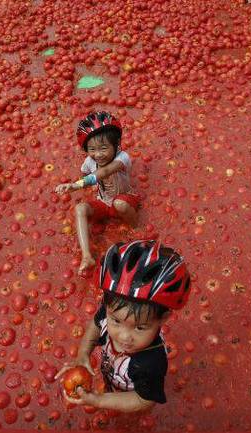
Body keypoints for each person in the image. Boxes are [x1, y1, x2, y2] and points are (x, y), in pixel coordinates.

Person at [55, 240, 191, 412]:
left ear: (163, 319)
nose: (124, 336)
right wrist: (83, 353)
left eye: (140, 327)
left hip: (131, 394)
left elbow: (144, 400)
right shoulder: (110, 311)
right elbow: (96, 324)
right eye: (116, 321)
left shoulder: (151, 363)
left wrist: (99, 401)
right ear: (107, 306)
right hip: (112, 377)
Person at [54, 111, 140, 276]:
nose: (98, 154)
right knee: (80, 209)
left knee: (120, 204)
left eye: (103, 148)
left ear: (116, 145)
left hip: (124, 199)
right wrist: (71, 185)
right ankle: (87, 256)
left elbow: (104, 172)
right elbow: (85, 175)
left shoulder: (122, 158)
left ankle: (136, 231)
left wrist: (76, 185)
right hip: (104, 202)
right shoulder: (89, 162)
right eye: (92, 149)